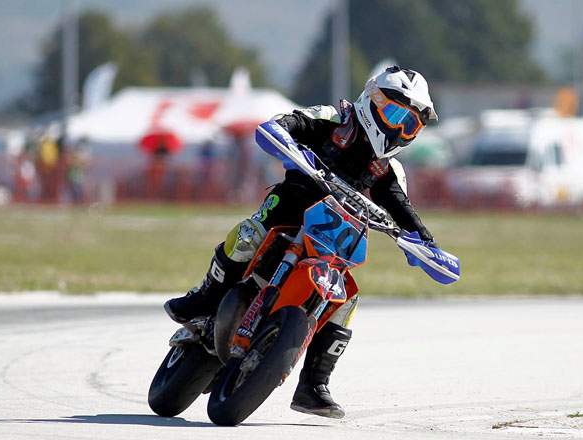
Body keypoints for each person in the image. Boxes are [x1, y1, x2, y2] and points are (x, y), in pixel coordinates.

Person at [164, 66, 439, 418]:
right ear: (372, 101)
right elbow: (284, 125)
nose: (399, 129)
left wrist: (427, 245)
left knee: (347, 297)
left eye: (410, 125)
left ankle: (314, 384)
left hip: (335, 237)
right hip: (290, 207)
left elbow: (403, 211)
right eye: (396, 116)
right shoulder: (334, 118)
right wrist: (285, 137)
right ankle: (204, 298)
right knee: (249, 234)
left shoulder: (390, 170)